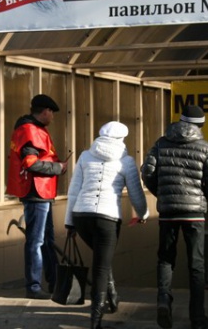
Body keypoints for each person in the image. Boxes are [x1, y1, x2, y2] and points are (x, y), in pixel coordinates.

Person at [141, 105, 208, 329]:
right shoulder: (207, 148)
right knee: (196, 264)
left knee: (165, 259)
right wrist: (200, 199)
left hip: (167, 212)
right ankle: (197, 317)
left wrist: (163, 194)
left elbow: (147, 173)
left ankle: (163, 302)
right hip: (194, 214)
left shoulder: (160, 144)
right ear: (200, 125)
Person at [64, 121, 150, 329]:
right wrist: (143, 214)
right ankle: (96, 320)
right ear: (122, 139)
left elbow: (74, 190)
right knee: (101, 267)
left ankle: (112, 297)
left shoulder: (85, 156)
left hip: (81, 216)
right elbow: (136, 194)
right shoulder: (126, 161)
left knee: (102, 257)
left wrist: (69, 223)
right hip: (107, 218)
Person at [6, 94, 68, 299]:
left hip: (43, 192)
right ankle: (33, 287)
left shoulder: (34, 129)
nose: (53, 117)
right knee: (37, 241)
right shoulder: (30, 130)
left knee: (47, 240)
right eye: (51, 113)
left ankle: (53, 282)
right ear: (45, 111)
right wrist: (58, 168)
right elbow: (31, 163)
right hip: (36, 192)